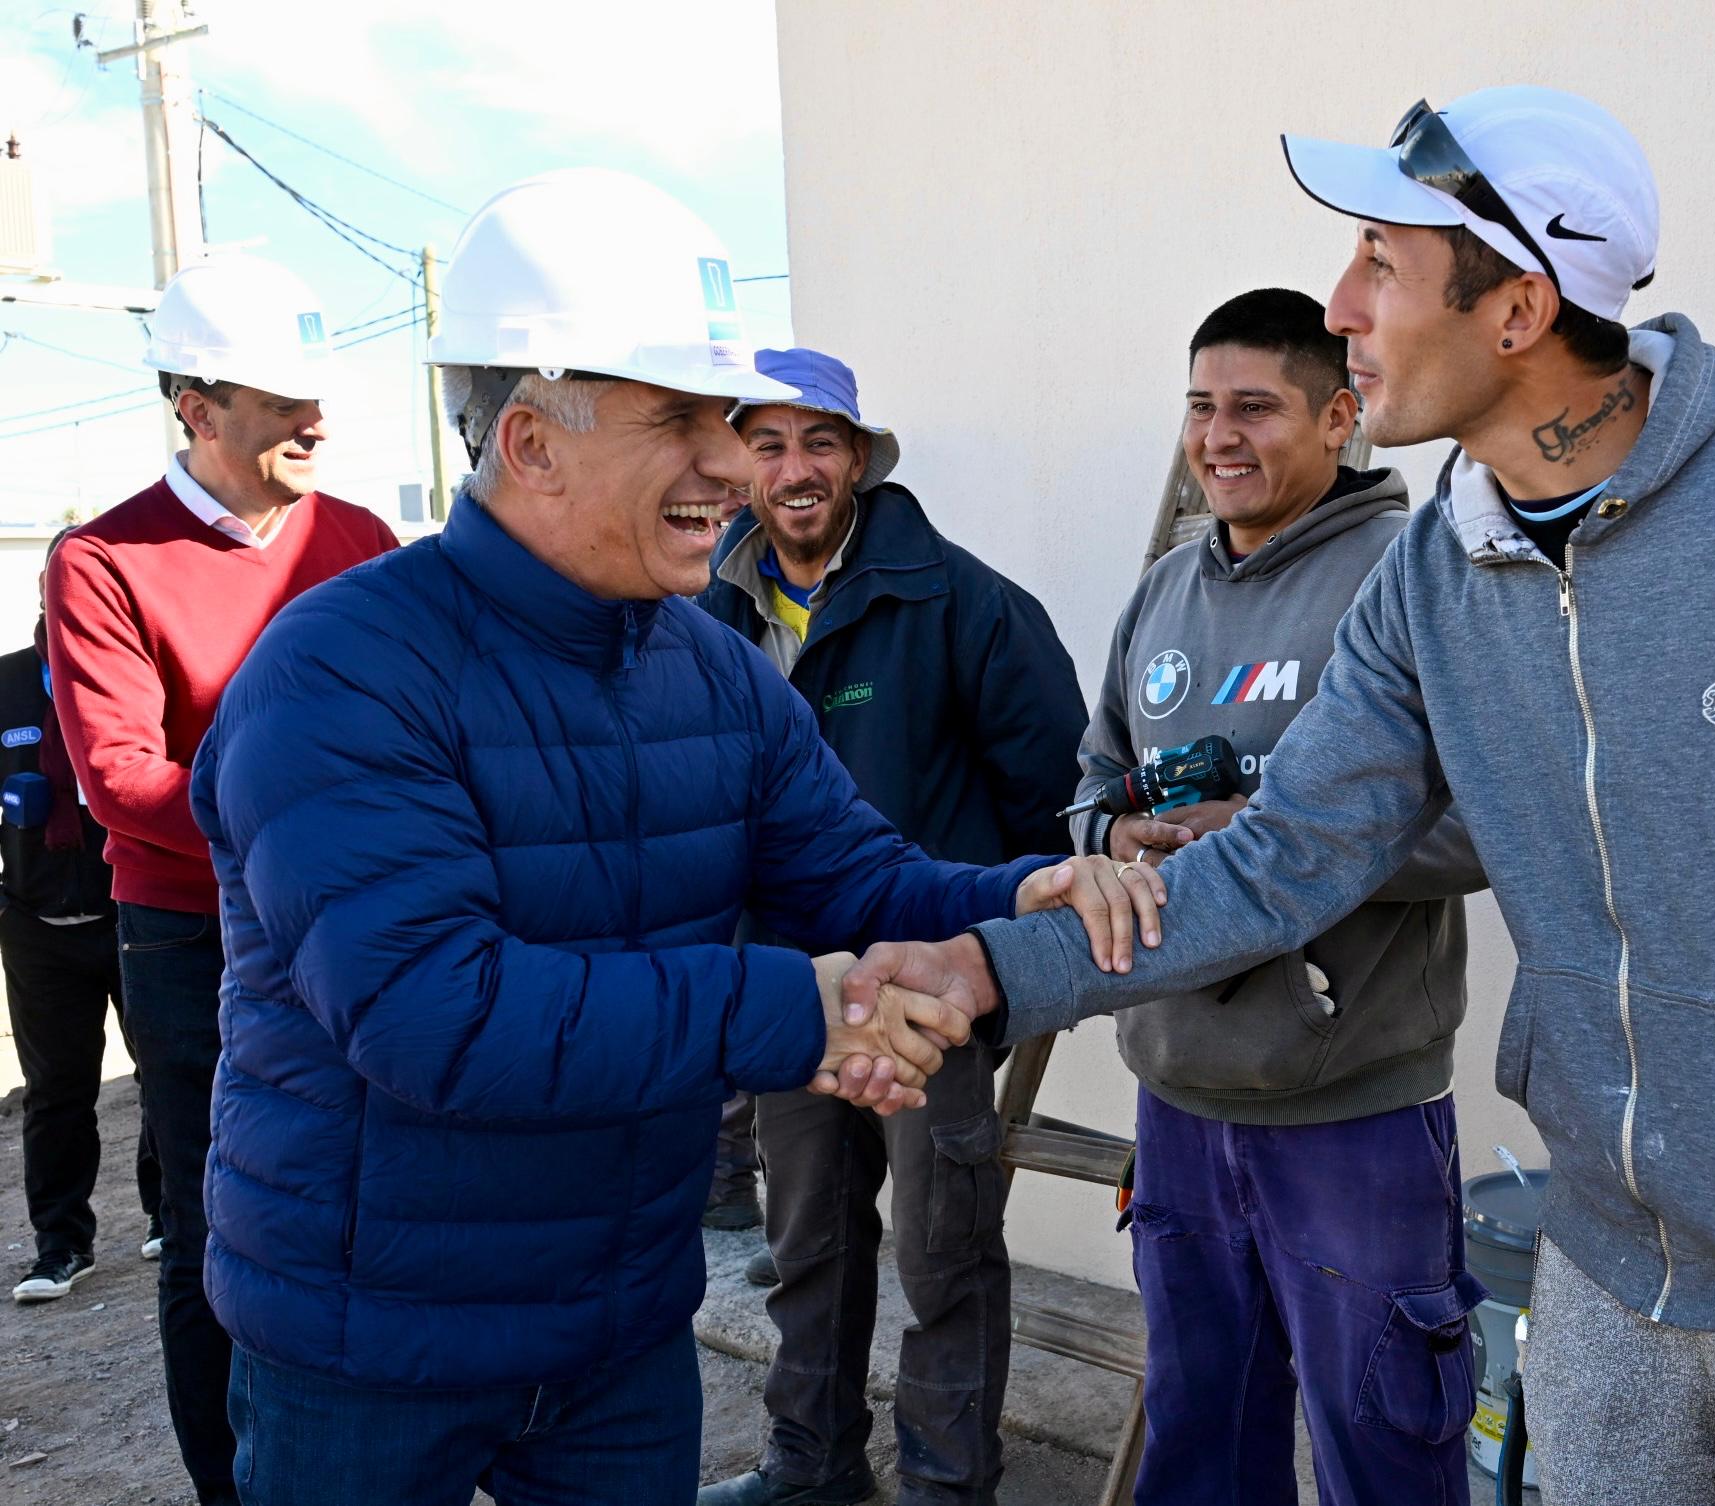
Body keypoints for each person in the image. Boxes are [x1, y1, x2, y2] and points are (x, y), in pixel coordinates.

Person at [848, 87, 1715, 1506]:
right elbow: (1280, 861)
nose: (1340, 306)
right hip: (1605, 1264)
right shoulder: (1431, 574)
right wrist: (989, 969)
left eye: (1380, 262)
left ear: (1517, 311)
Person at [186, 168, 1161, 1506]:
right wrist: (803, 1010)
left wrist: (1015, 894)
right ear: (531, 441)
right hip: (374, 1341)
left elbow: (853, 878)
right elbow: (431, 1014)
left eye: (732, 422)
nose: (733, 464)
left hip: (617, 1330)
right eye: (684, 419)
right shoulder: (341, 671)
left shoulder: (708, 668)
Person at [1064, 287, 1484, 1503]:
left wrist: (1271, 841)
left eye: (1255, 407)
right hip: (1177, 1096)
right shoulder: (1164, 591)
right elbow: (1090, 781)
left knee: (1384, 1453)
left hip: (1353, 1112)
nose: (1218, 437)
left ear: (1341, 417)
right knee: (1203, 1447)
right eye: (1201, 407)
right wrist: (1116, 831)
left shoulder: (1415, 578)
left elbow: (1485, 822)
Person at [695, 347, 1086, 1506]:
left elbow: (1050, 804)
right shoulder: (709, 618)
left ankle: (947, 1484)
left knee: (941, 1252)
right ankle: (810, 1464)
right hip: (791, 991)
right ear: (739, 466)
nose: (795, 469)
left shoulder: (965, 603)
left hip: (932, 994)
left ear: (858, 459)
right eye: (768, 445)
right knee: (808, 1244)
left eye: (820, 442)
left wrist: (1000, 970)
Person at [43, 255, 399, 1503]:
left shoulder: (363, 541)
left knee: (375, 1201)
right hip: (194, 938)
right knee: (223, 1228)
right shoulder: (103, 561)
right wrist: (312, 847)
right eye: (283, 401)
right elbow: (120, 779)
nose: (317, 422)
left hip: (363, 923)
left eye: (318, 397)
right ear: (195, 407)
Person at [3, 531, 162, 1304]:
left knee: (164, 1069)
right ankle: (61, 1245)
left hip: (135, 912)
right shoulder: (5, 684)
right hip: (35, 925)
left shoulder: (133, 673)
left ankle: (170, 1214)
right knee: (56, 1090)